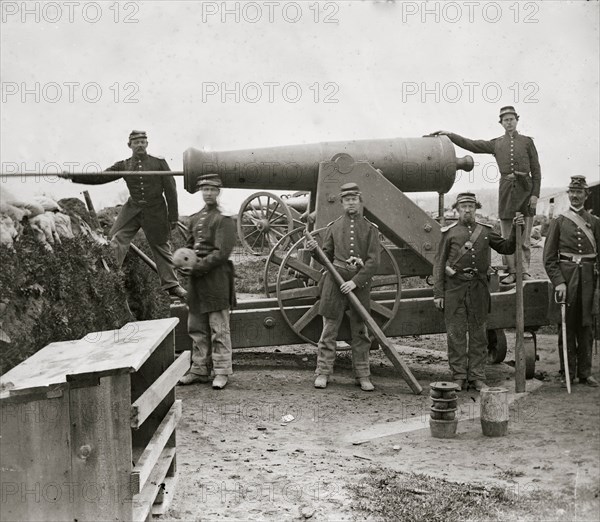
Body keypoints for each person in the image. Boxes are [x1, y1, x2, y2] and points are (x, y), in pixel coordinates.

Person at [431, 106, 541, 284]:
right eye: (505, 120)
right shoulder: (497, 143)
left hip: (526, 190)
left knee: (525, 236)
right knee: (507, 235)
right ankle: (513, 272)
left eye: (512, 119)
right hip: (506, 191)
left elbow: (536, 170)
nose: (509, 122)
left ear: (517, 120)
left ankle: (524, 272)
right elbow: (473, 145)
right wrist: (450, 135)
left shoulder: (527, 142)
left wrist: (535, 194)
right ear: (501, 123)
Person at [70, 130, 186, 298]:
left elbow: (171, 190)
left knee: (160, 245)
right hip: (133, 208)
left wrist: (173, 216)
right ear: (129, 145)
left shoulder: (159, 163)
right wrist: (74, 177)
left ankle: (172, 285)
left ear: (147, 144)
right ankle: (110, 277)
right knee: (117, 238)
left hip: (155, 210)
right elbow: (101, 177)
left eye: (142, 141)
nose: (139, 144)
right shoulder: (123, 165)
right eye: (136, 142)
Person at [433, 192, 523, 391]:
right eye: (463, 206)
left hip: (478, 291)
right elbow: (439, 265)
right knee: (456, 335)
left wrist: (516, 228)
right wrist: (439, 293)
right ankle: (458, 377)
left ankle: (477, 377)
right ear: (457, 209)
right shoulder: (449, 233)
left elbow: (507, 248)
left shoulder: (485, 231)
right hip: (455, 291)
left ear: (476, 209)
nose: (467, 210)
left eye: (471, 206)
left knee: (478, 335)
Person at [305, 182, 380, 391]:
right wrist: (313, 251)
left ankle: (363, 375)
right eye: (346, 200)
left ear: (360, 201)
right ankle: (323, 373)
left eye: (354, 199)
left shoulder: (370, 229)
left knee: (360, 332)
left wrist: (355, 282)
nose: (350, 203)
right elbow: (325, 257)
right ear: (342, 204)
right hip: (334, 283)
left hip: (359, 285)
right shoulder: (334, 227)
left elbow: (374, 262)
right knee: (329, 330)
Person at [178, 174, 236, 389]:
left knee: (219, 329)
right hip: (197, 284)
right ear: (201, 192)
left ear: (218, 192)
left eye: (212, 190)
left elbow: (222, 253)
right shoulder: (195, 218)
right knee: (196, 328)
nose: (208, 193)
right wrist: (184, 265)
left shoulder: (224, 219)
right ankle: (199, 369)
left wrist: (198, 267)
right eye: (205, 190)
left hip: (216, 281)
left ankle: (221, 372)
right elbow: (188, 249)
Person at [543, 175, 599, 387]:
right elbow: (549, 258)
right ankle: (567, 371)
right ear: (568, 194)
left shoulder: (595, 223)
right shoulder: (559, 221)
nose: (575, 196)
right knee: (565, 327)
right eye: (572, 192)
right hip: (566, 280)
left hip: (587, 281)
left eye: (579, 192)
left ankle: (585, 372)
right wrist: (558, 282)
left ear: (586, 195)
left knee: (587, 326)